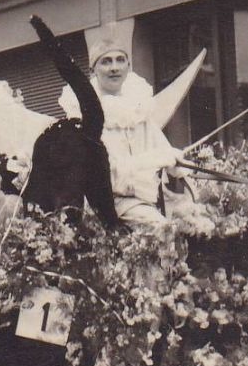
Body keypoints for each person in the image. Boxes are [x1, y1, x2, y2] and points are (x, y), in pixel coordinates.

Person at [57, 23, 188, 228]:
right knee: (163, 231)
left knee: (198, 221)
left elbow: (161, 148)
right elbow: (104, 173)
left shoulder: (137, 106)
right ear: (93, 69)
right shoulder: (85, 114)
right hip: (110, 205)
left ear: (128, 65)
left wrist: (176, 163)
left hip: (147, 199)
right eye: (106, 62)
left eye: (120, 60)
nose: (114, 68)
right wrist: (155, 159)